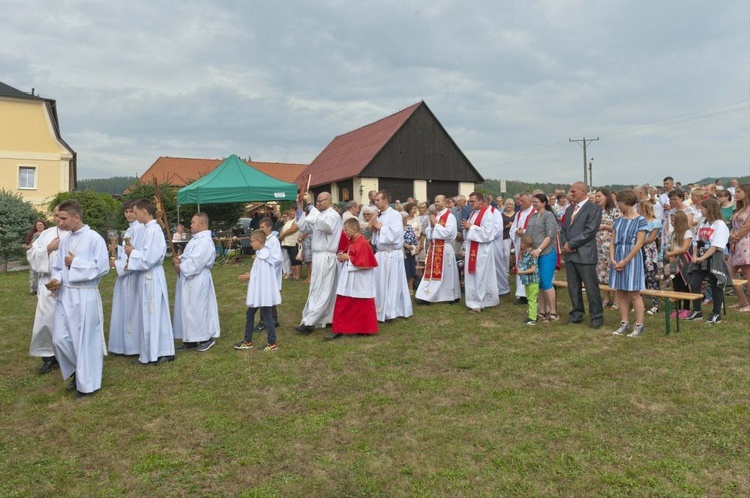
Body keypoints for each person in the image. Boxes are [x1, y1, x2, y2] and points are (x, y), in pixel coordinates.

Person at [46, 200, 109, 398]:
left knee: (85, 341)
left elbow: (102, 267)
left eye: (64, 218)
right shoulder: (65, 240)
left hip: (85, 294)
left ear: (76, 217)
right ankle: (76, 371)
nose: (60, 222)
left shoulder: (94, 238)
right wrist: (56, 279)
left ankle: (88, 384)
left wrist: (76, 263)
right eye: (58, 218)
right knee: (60, 338)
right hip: (66, 294)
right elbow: (58, 266)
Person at [126, 199, 175, 365]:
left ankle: (157, 352)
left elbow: (149, 258)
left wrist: (132, 252)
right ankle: (153, 351)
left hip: (151, 275)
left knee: (153, 313)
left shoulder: (153, 230)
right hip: (147, 275)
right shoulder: (148, 229)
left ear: (144, 212)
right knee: (151, 314)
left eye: (136, 211)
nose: (134, 215)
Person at [26, 206, 68, 374]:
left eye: (62, 216)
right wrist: (48, 248)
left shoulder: (75, 233)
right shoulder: (46, 234)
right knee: (45, 319)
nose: (58, 219)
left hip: (68, 284)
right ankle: (48, 356)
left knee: (66, 320)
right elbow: (31, 253)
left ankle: (67, 353)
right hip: (47, 281)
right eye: (56, 215)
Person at [295, 192, 342, 334]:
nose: (318, 203)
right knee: (319, 288)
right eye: (317, 201)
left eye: (320, 201)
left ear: (328, 200)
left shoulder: (333, 216)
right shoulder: (319, 216)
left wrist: (310, 205)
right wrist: (300, 206)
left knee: (321, 289)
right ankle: (326, 318)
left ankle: (310, 322)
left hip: (326, 256)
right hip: (318, 256)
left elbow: (325, 225)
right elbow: (304, 227)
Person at [173, 212, 220, 352]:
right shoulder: (195, 240)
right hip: (189, 279)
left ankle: (206, 338)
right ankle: (190, 339)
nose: (190, 225)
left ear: (202, 224)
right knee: (187, 308)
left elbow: (196, 261)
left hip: (197, 278)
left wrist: (180, 267)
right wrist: (180, 258)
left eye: (193, 222)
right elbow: (189, 255)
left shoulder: (205, 241)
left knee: (198, 308)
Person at [561, 182, 604, 328]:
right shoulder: (569, 209)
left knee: (591, 288)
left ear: (583, 191)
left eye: (573, 191)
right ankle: (576, 314)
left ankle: (596, 318)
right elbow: (564, 229)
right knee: (573, 287)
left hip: (584, 254)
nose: (570, 193)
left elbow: (590, 230)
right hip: (570, 255)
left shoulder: (594, 209)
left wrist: (571, 244)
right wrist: (566, 243)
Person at [327, 218, 379, 340]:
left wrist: (347, 258)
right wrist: (343, 256)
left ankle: (363, 329)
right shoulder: (353, 241)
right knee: (343, 302)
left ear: (354, 229)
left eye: (346, 229)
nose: (345, 232)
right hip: (350, 277)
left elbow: (363, 262)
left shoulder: (362, 242)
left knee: (359, 304)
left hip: (359, 280)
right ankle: (339, 328)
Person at [686, 198, 732, 323]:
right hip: (700, 258)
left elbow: (716, 245)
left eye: (703, 208)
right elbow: (697, 241)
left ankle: (716, 313)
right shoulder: (704, 223)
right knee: (694, 282)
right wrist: (695, 256)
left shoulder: (720, 224)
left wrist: (703, 257)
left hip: (713, 258)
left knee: (715, 284)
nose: (700, 210)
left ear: (709, 209)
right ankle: (697, 311)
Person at [610, 190, 649, 337]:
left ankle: (639, 325)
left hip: (632, 258)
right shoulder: (618, 220)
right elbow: (612, 242)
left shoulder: (641, 220)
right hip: (618, 256)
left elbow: (639, 244)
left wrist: (625, 261)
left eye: (619, 202)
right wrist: (613, 259)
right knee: (620, 292)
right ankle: (624, 322)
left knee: (634, 293)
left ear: (625, 202)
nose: (617, 205)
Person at [234, 230, 281, 351]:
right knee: (250, 313)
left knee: (267, 316)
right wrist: (250, 273)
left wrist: (249, 277)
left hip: (262, 293)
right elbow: (257, 272)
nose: (251, 244)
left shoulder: (264, 256)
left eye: (252, 241)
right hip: (260, 293)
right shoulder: (261, 254)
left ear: (259, 241)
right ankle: (247, 341)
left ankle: (272, 343)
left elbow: (262, 276)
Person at [370, 190, 413, 321]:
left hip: (391, 254)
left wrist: (380, 228)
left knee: (392, 283)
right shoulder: (380, 215)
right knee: (380, 284)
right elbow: (375, 238)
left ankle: (391, 311)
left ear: (385, 201)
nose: (375, 202)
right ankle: (380, 308)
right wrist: (375, 228)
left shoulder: (395, 215)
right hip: (381, 254)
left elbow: (396, 235)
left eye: (377, 200)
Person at [108, 200, 144, 356]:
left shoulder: (140, 229)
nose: (129, 214)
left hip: (133, 275)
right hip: (125, 275)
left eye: (131, 211)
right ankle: (122, 344)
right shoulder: (129, 230)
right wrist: (117, 250)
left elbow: (137, 253)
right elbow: (127, 251)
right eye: (126, 212)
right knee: (123, 307)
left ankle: (133, 345)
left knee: (132, 308)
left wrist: (116, 263)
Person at [415, 195, 461, 304]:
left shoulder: (450, 217)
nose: (436, 203)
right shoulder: (434, 215)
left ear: (445, 202)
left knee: (446, 273)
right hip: (433, 247)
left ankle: (450, 295)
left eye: (438, 201)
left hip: (444, 248)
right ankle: (426, 295)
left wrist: (436, 224)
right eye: (435, 201)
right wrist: (432, 226)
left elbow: (450, 233)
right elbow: (428, 233)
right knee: (431, 273)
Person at [461, 192, 499, 312]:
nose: (470, 204)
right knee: (473, 274)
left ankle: (478, 303)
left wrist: (470, 227)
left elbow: (487, 233)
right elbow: (470, 229)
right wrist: (467, 228)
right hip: (472, 248)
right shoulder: (473, 213)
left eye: (472, 201)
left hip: (482, 250)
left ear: (481, 201)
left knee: (480, 275)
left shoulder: (487, 214)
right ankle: (474, 299)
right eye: (469, 202)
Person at [526, 193, 559, 321]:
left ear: (544, 203)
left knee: (546, 282)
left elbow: (550, 235)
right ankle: (541, 311)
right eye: (533, 202)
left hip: (546, 253)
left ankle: (553, 312)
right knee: (538, 283)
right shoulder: (533, 216)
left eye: (536, 202)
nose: (534, 204)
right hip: (534, 253)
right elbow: (529, 234)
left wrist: (539, 249)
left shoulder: (548, 216)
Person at [663, 211, 694, 316]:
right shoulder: (673, 234)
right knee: (676, 285)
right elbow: (669, 246)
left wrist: (671, 253)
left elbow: (684, 248)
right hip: (674, 263)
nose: (671, 222)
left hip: (684, 263)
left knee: (684, 284)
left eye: (673, 220)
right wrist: (669, 256)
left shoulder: (687, 233)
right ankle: (677, 308)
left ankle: (686, 308)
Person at [594, 188, 619, 309]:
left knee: (612, 271)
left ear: (606, 197)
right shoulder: (596, 211)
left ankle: (617, 300)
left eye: (599, 196)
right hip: (598, 246)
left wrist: (605, 226)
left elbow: (618, 227)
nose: (597, 198)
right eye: (596, 196)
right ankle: (606, 297)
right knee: (601, 272)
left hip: (611, 245)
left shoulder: (615, 210)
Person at [638, 200, 663, 315]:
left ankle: (656, 303)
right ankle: (640, 302)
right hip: (639, 250)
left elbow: (652, 238)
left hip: (648, 251)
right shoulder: (639, 221)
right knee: (640, 277)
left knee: (651, 277)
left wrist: (638, 242)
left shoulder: (655, 222)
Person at [509, 192, 535, 305]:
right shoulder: (519, 213)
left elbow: (537, 229)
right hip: (520, 244)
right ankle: (521, 294)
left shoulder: (534, 213)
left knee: (529, 267)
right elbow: (513, 228)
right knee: (521, 266)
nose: (520, 203)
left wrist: (524, 232)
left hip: (531, 245)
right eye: (519, 201)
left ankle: (531, 294)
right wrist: (516, 232)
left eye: (523, 201)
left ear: (530, 201)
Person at [728, 183, 750, 311]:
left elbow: (747, 226)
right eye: (735, 192)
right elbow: (733, 226)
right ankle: (742, 301)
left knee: (747, 273)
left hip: (746, 242)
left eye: (738, 192)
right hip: (735, 243)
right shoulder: (737, 209)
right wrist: (732, 237)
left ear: (746, 193)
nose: (735, 194)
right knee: (730, 272)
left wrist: (735, 238)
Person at [516, 234, 539, 325]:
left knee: (532, 298)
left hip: (533, 280)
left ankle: (533, 318)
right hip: (527, 280)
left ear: (524, 244)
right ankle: (532, 314)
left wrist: (522, 272)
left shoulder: (532, 254)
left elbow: (533, 269)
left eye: (521, 243)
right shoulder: (525, 253)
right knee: (529, 297)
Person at [24, 220, 47, 294]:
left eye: (41, 224)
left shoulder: (47, 234)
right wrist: (26, 247)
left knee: (42, 272)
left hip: (44, 255)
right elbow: (31, 245)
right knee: (33, 272)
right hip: (34, 256)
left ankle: (43, 288)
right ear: (35, 227)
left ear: (44, 226)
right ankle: (34, 289)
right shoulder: (34, 235)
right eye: (38, 225)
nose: (39, 226)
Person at [279, 207, 302, 281]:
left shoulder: (297, 219)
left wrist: (283, 235)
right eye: (290, 211)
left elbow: (292, 229)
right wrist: (281, 234)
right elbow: (283, 228)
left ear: (296, 212)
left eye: (292, 211)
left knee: (296, 260)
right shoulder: (289, 220)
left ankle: (297, 276)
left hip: (294, 242)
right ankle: (293, 275)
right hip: (287, 243)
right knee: (291, 260)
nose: (291, 212)